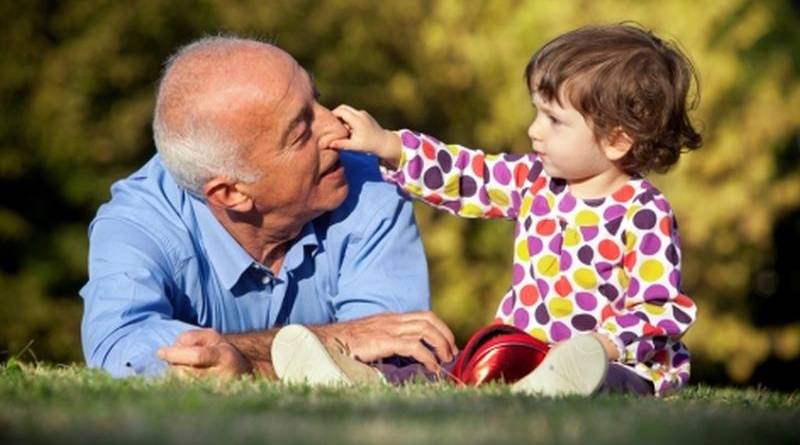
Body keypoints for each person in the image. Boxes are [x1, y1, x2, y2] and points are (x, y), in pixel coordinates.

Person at [299, 23, 701, 396]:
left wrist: (603, 345)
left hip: (620, 364)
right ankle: (360, 374)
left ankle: (568, 380)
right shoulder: (534, 180)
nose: (534, 130)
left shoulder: (644, 211)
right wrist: (390, 146)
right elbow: (466, 175)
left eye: (554, 120)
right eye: (536, 112)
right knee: (454, 368)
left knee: (608, 380)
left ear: (616, 140)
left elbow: (658, 308)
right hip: (521, 353)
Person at [79, 36, 458, 380]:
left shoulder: (371, 185)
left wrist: (243, 361)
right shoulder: (139, 222)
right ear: (231, 193)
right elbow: (121, 351)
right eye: (300, 132)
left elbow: (394, 359)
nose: (339, 128)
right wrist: (328, 342)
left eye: (317, 98)